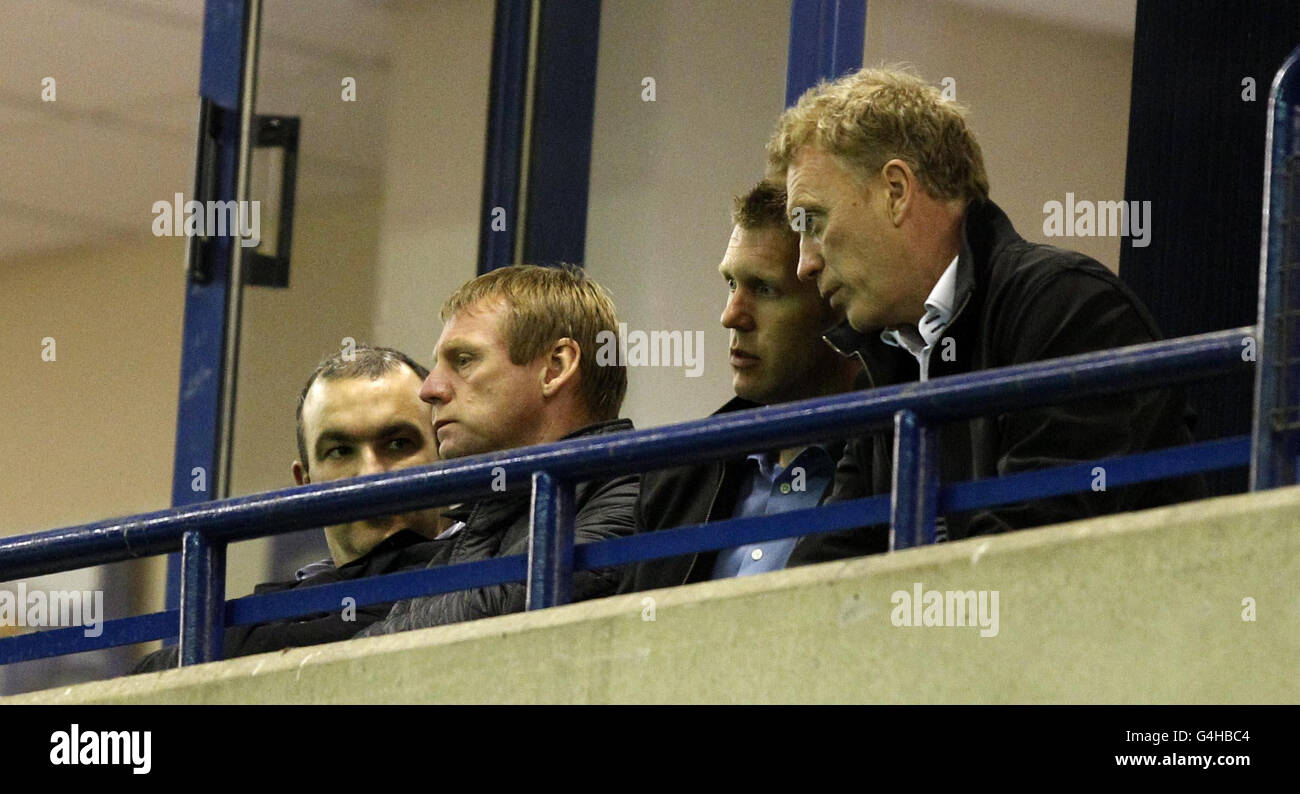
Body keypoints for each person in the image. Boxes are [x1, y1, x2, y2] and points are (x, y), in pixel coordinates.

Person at [767, 66, 1204, 554]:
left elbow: (1029, 557)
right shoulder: (883, 369)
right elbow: (824, 570)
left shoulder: (1071, 310)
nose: (804, 264)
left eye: (814, 222)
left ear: (896, 190)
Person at [356, 264, 637, 636]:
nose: (430, 389)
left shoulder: (635, 493)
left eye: (464, 360)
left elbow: (510, 610)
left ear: (556, 367)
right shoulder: (479, 525)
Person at [134, 345, 449, 672]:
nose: (370, 473)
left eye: (398, 443)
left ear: (445, 454)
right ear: (306, 483)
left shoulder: (489, 569)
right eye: (340, 451)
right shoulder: (275, 609)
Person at [619, 180, 862, 594]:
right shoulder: (676, 477)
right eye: (731, 284)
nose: (731, 316)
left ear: (837, 304)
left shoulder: (896, 458)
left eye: (765, 290)